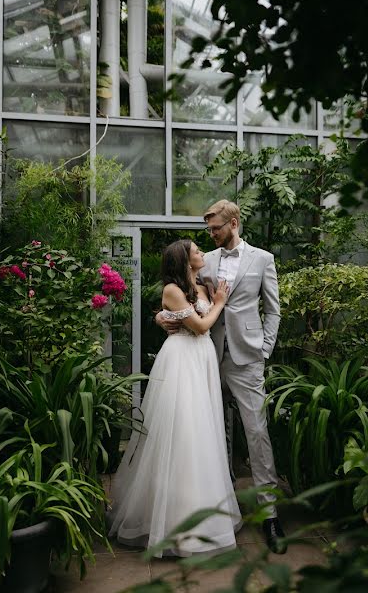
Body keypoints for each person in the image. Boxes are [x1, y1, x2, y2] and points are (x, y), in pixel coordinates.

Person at [155, 200, 286, 554]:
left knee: (256, 432)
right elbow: (180, 295)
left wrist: (264, 350)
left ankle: (270, 514)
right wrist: (161, 317)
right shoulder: (205, 261)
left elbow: (273, 310)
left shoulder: (262, 259)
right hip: (205, 356)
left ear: (234, 222)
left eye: (215, 228)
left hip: (247, 360)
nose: (211, 235)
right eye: (209, 230)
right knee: (213, 430)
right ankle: (221, 505)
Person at [108, 240, 241, 557]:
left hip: (202, 360)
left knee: (202, 435)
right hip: (182, 360)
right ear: (184, 259)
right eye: (196, 251)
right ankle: (174, 522)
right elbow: (198, 326)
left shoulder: (203, 285)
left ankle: (202, 511)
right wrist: (220, 302)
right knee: (183, 433)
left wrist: (164, 315)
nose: (201, 254)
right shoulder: (172, 289)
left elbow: (187, 318)